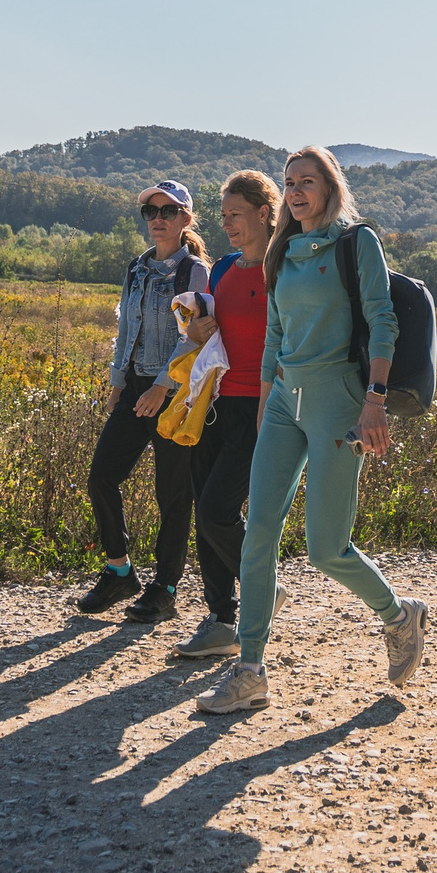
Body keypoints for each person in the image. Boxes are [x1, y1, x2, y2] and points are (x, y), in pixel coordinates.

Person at [197, 148, 429, 715]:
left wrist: (373, 402)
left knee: (327, 549)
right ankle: (250, 669)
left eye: (307, 181)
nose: (296, 191)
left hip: (338, 403)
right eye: (289, 183)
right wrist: (266, 404)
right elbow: (276, 331)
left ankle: (400, 617)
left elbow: (382, 320)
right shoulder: (284, 250)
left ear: (329, 187)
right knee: (257, 535)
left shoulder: (357, 243)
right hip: (282, 402)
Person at [79, 180, 214, 623]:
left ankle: (165, 588)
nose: (158, 218)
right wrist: (119, 382)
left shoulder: (193, 272)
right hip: (135, 388)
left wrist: (163, 385)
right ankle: (119, 571)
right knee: (102, 476)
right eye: (151, 211)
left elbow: (194, 337)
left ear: (185, 220)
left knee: (173, 495)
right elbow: (125, 329)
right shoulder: (136, 268)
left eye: (169, 211)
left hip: (175, 394)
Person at [163, 170, 279, 660]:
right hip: (214, 403)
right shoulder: (226, 265)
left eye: (235, 214)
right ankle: (220, 621)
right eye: (223, 214)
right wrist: (196, 332)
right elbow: (212, 337)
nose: (226, 223)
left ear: (264, 212)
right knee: (205, 514)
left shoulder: (286, 268)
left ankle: (263, 587)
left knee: (217, 510)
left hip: (263, 407)